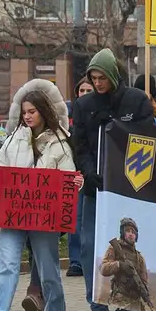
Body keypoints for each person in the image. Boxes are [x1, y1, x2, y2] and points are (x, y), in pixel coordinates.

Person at [72, 48, 156, 311]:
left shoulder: (136, 100)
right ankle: (97, 309)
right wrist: (87, 171)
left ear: (113, 75)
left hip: (126, 189)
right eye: (93, 78)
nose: (97, 83)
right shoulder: (83, 105)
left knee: (126, 254)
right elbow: (79, 144)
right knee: (88, 249)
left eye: (102, 77)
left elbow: (148, 140)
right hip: (96, 189)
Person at [0, 86, 75, 311]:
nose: (27, 116)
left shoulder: (61, 144)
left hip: (45, 217)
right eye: (24, 112)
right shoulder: (14, 139)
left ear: (43, 111)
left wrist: (74, 184)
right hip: (12, 214)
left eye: (32, 111)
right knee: (7, 265)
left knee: (47, 267)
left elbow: (67, 177)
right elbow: (0, 166)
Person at [67, 77, 96, 278]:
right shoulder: (67, 117)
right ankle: (75, 261)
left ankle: (88, 259)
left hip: (91, 173)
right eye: (82, 90)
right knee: (74, 219)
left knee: (88, 221)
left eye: (89, 90)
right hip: (74, 174)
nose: (84, 94)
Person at [99, 218, 155, 311]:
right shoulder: (115, 248)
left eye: (133, 232)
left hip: (134, 299)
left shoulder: (139, 258)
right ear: (122, 233)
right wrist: (119, 265)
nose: (130, 234)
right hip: (120, 297)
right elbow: (103, 269)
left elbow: (143, 280)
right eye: (127, 231)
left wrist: (143, 291)